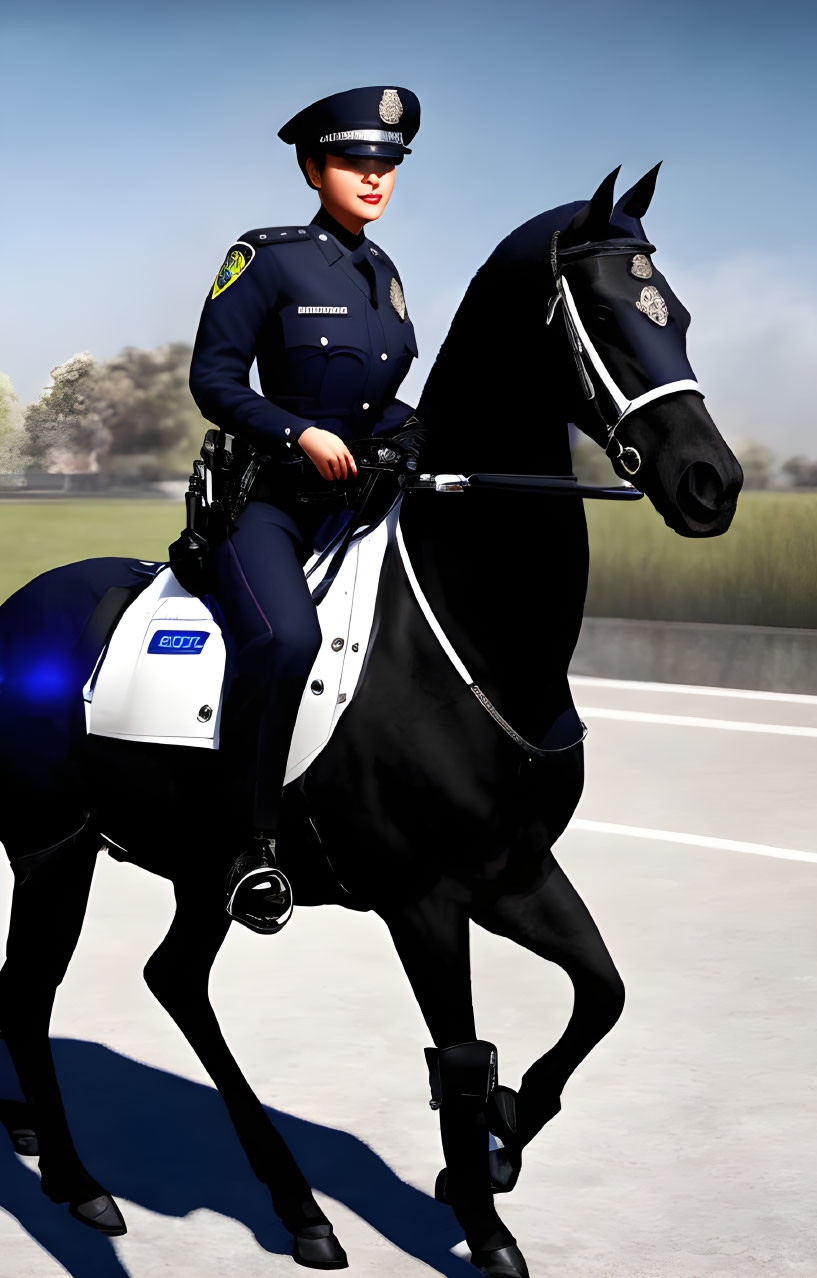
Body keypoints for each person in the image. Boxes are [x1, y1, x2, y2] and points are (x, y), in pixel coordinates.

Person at [188, 86, 424, 933]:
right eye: (356, 163)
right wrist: (298, 434)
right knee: (288, 640)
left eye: (387, 165)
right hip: (269, 507)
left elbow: (378, 402)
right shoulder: (267, 256)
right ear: (313, 167)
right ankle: (246, 846)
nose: (374, 179)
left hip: (357, 506)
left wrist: (416, 436)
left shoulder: (385, 276)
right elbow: (212, 382)